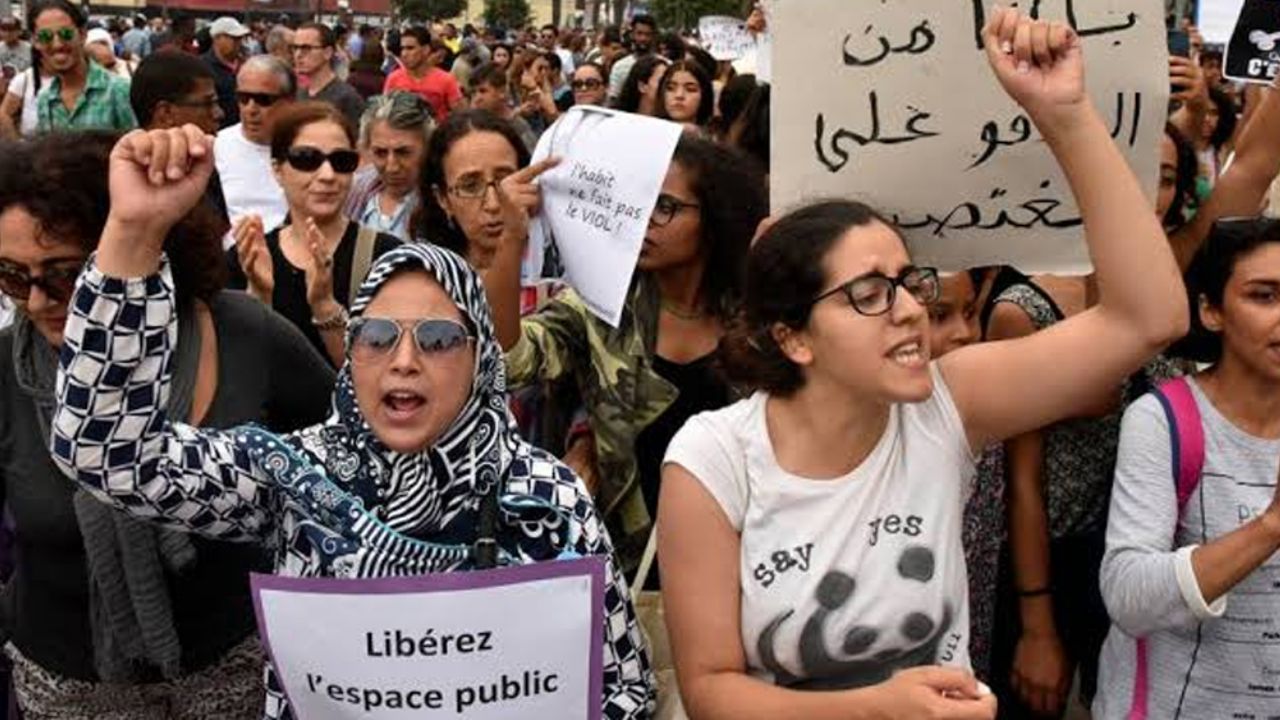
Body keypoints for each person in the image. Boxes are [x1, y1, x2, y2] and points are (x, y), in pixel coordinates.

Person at [655, 10, 1186, 718]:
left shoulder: (944, 408)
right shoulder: (714, 459)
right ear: (794, 338)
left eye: (908, 281)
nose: (908, 309)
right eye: (868, 294)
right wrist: (879, 706)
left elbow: (1149, 318)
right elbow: (713, 691)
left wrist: (1064, 115)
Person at [48, 125, 656, 720]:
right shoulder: (297, 476)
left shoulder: (546, 495)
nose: (405, 361)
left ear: (480, 361)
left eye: (440, 338)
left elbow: (621, 689)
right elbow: (109, 454)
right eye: (377, 336)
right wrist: (135, 230)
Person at [0, 130, 334, 719]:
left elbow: (342, 470)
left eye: (62, 274)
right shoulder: (6, 368)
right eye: (10, 276)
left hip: (235, 673)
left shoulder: (246, 335)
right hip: (69, 686)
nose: (35, 300)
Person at [482, 132, 768, 577]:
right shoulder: (600, 306)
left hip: (749, 553)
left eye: (666, 207)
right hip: (633, 564)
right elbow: (508, 360)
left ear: (716, 217)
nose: (645, 222)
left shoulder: (757, 311)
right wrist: (511, 242)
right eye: (639, 205)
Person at [1092, 218, 1280, 720]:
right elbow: (1128, 596)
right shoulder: (1165, 421)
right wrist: (1268, 529)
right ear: (1211, 310)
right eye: (1264, 296)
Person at [226, 101, 400, 366]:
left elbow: (385, 371)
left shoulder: (388, 257)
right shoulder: (247, 258)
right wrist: (259, 300)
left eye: (342, 161)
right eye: (307, 159)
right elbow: (237, 369)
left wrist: (325, 307)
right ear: (277, 169)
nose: (327, 175)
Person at [413, 109, 534, 270]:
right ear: (442, 198)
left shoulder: (558, 270)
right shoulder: (425, 278)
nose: (493, 205)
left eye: (505, 181)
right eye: (470, 187)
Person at [131, 50, 229, 223]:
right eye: (208, 104)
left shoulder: (203, 167)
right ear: (165, 113)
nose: (219, 113)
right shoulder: (129, 184)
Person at [215, 55, 294, 240]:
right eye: (243, 98)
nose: (251, 108)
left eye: (263, 99)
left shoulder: (308, 150)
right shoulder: (216, 146)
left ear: (289, 102)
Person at [31, 0, 135, 132]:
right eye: (45, 36)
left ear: (82, 35)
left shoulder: (119, 91)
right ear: (35, 42)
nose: (57, 44)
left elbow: (138, 148)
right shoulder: (45, 100)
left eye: (66, 34)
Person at [343, 91, 432, 241]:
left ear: (428, 148)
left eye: (403, 152)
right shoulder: (352, 193)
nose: (392, 167)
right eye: (380, 153)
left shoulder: (441, 204)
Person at [383, 27, 462, 125]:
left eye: (410, 48)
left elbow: (460, 115)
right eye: (402, 48)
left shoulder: (446, 80)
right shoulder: (394, 78)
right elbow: (383, 114)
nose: (404, 54)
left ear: (426, 50)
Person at [292, 22, 364, 129]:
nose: (298, 55)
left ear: (327, 53)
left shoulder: (347, 98)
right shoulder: (298, 94)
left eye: (306, 48)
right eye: (295, 48)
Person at [468, 63, 538, 152]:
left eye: (483, 91)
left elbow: (534, 162)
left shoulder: (518, 128)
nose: (477, 98)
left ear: (502, 92)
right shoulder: (474, 125)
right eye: (473, 92)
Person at [204, 16, 249, 129]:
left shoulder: (247, 64)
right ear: (217, 38)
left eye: (239, 39)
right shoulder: (203, 67)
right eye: (233, 38)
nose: (238, 43)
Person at [0, 49, 52, 139]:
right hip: (30, 143)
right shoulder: (24, 78)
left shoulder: (69, 78)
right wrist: (19, 143)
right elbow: (4, 114)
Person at [608, 13, 656, 103]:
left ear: (653, 36)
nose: (643, 38)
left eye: (647, 34)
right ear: (632, 35)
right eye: (639, 33)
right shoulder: (620, 67)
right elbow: (613, 99)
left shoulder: (664, 65)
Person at [656, 59, 713, 128]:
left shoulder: (713, 137)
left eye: (690, 89)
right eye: (670, 88)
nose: (679, 95)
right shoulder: (647, 132)